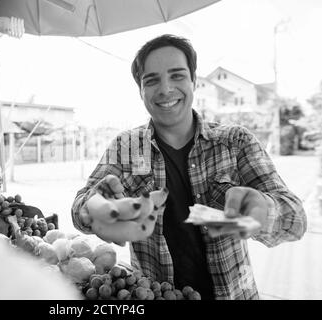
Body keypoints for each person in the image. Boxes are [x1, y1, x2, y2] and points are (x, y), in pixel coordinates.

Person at [71, 34, 307, 300]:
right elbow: (81, 205)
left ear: (194, 81)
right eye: (151, 80)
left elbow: (296, 219)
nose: (165, 89)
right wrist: (95, 209)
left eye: (177, 76)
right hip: (155, 294)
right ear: (141, 91)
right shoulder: (124, 146)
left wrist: (263, 210)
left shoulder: (235, 141)